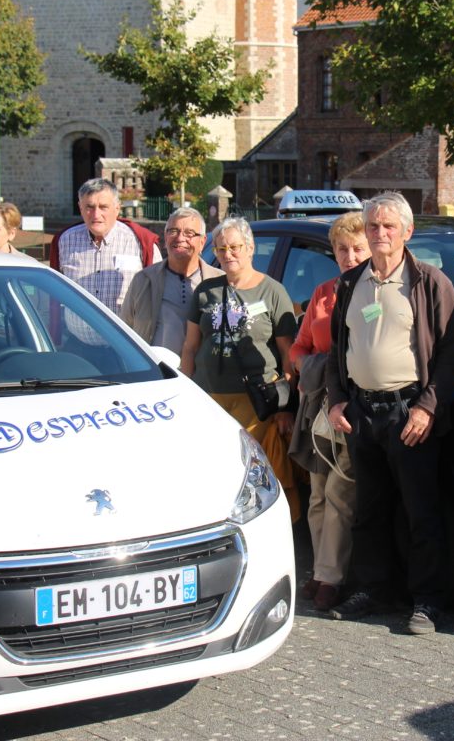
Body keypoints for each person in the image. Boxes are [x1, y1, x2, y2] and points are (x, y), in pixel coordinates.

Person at [324, 192, 454, 635]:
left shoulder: (429, 282)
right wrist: (337, 399)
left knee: (420, 511)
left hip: (409, 412)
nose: (380, 233)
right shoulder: (350, 283)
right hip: (362, 411)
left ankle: (427, 601)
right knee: (370, 510)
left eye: (388, 226)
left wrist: (427, 408)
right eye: (373, 226)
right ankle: (374, 589)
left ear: (407, 232)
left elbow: (450, 356)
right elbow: (337, 350)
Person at [180, 216, 301, 522]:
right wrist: (184, 388)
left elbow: (289, 353)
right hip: (210, 396)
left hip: (256, 400)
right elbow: (190, 346)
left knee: (256, 469)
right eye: (221, 249)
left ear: (250, 248)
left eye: (235, 247)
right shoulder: (206, 291)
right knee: (218, 465)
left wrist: (286, 407)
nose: (228, 254)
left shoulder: (273, 291)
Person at [288, 211, 369, 612]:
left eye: (357, 248)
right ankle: (320, 572)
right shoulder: (323, 293)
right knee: (318, 493)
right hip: (318, 405)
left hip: (354, 407)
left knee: (340, 491)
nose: (349, 256)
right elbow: (299, 347)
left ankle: (331, 577)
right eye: (341, 249)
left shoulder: (375, 294)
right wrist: (309, 366)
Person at [50, 178, 161, 313]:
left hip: (123, 333)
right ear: (80, 208)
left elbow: (158, 294)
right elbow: (55, 294)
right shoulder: (64, 241)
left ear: (117, 208)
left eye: (103, 207)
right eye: (89, 207)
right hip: (73, 333)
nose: (96, 215)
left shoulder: (142, 242)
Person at [121, 207, 220, 355]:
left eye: (189, 233)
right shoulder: (143, 280)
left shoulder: (219, 282)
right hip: (158, 374)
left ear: (202, 241)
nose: (180, 238)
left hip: (202, 375)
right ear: (165, 237)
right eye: (173, 231)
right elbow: (125, 330)